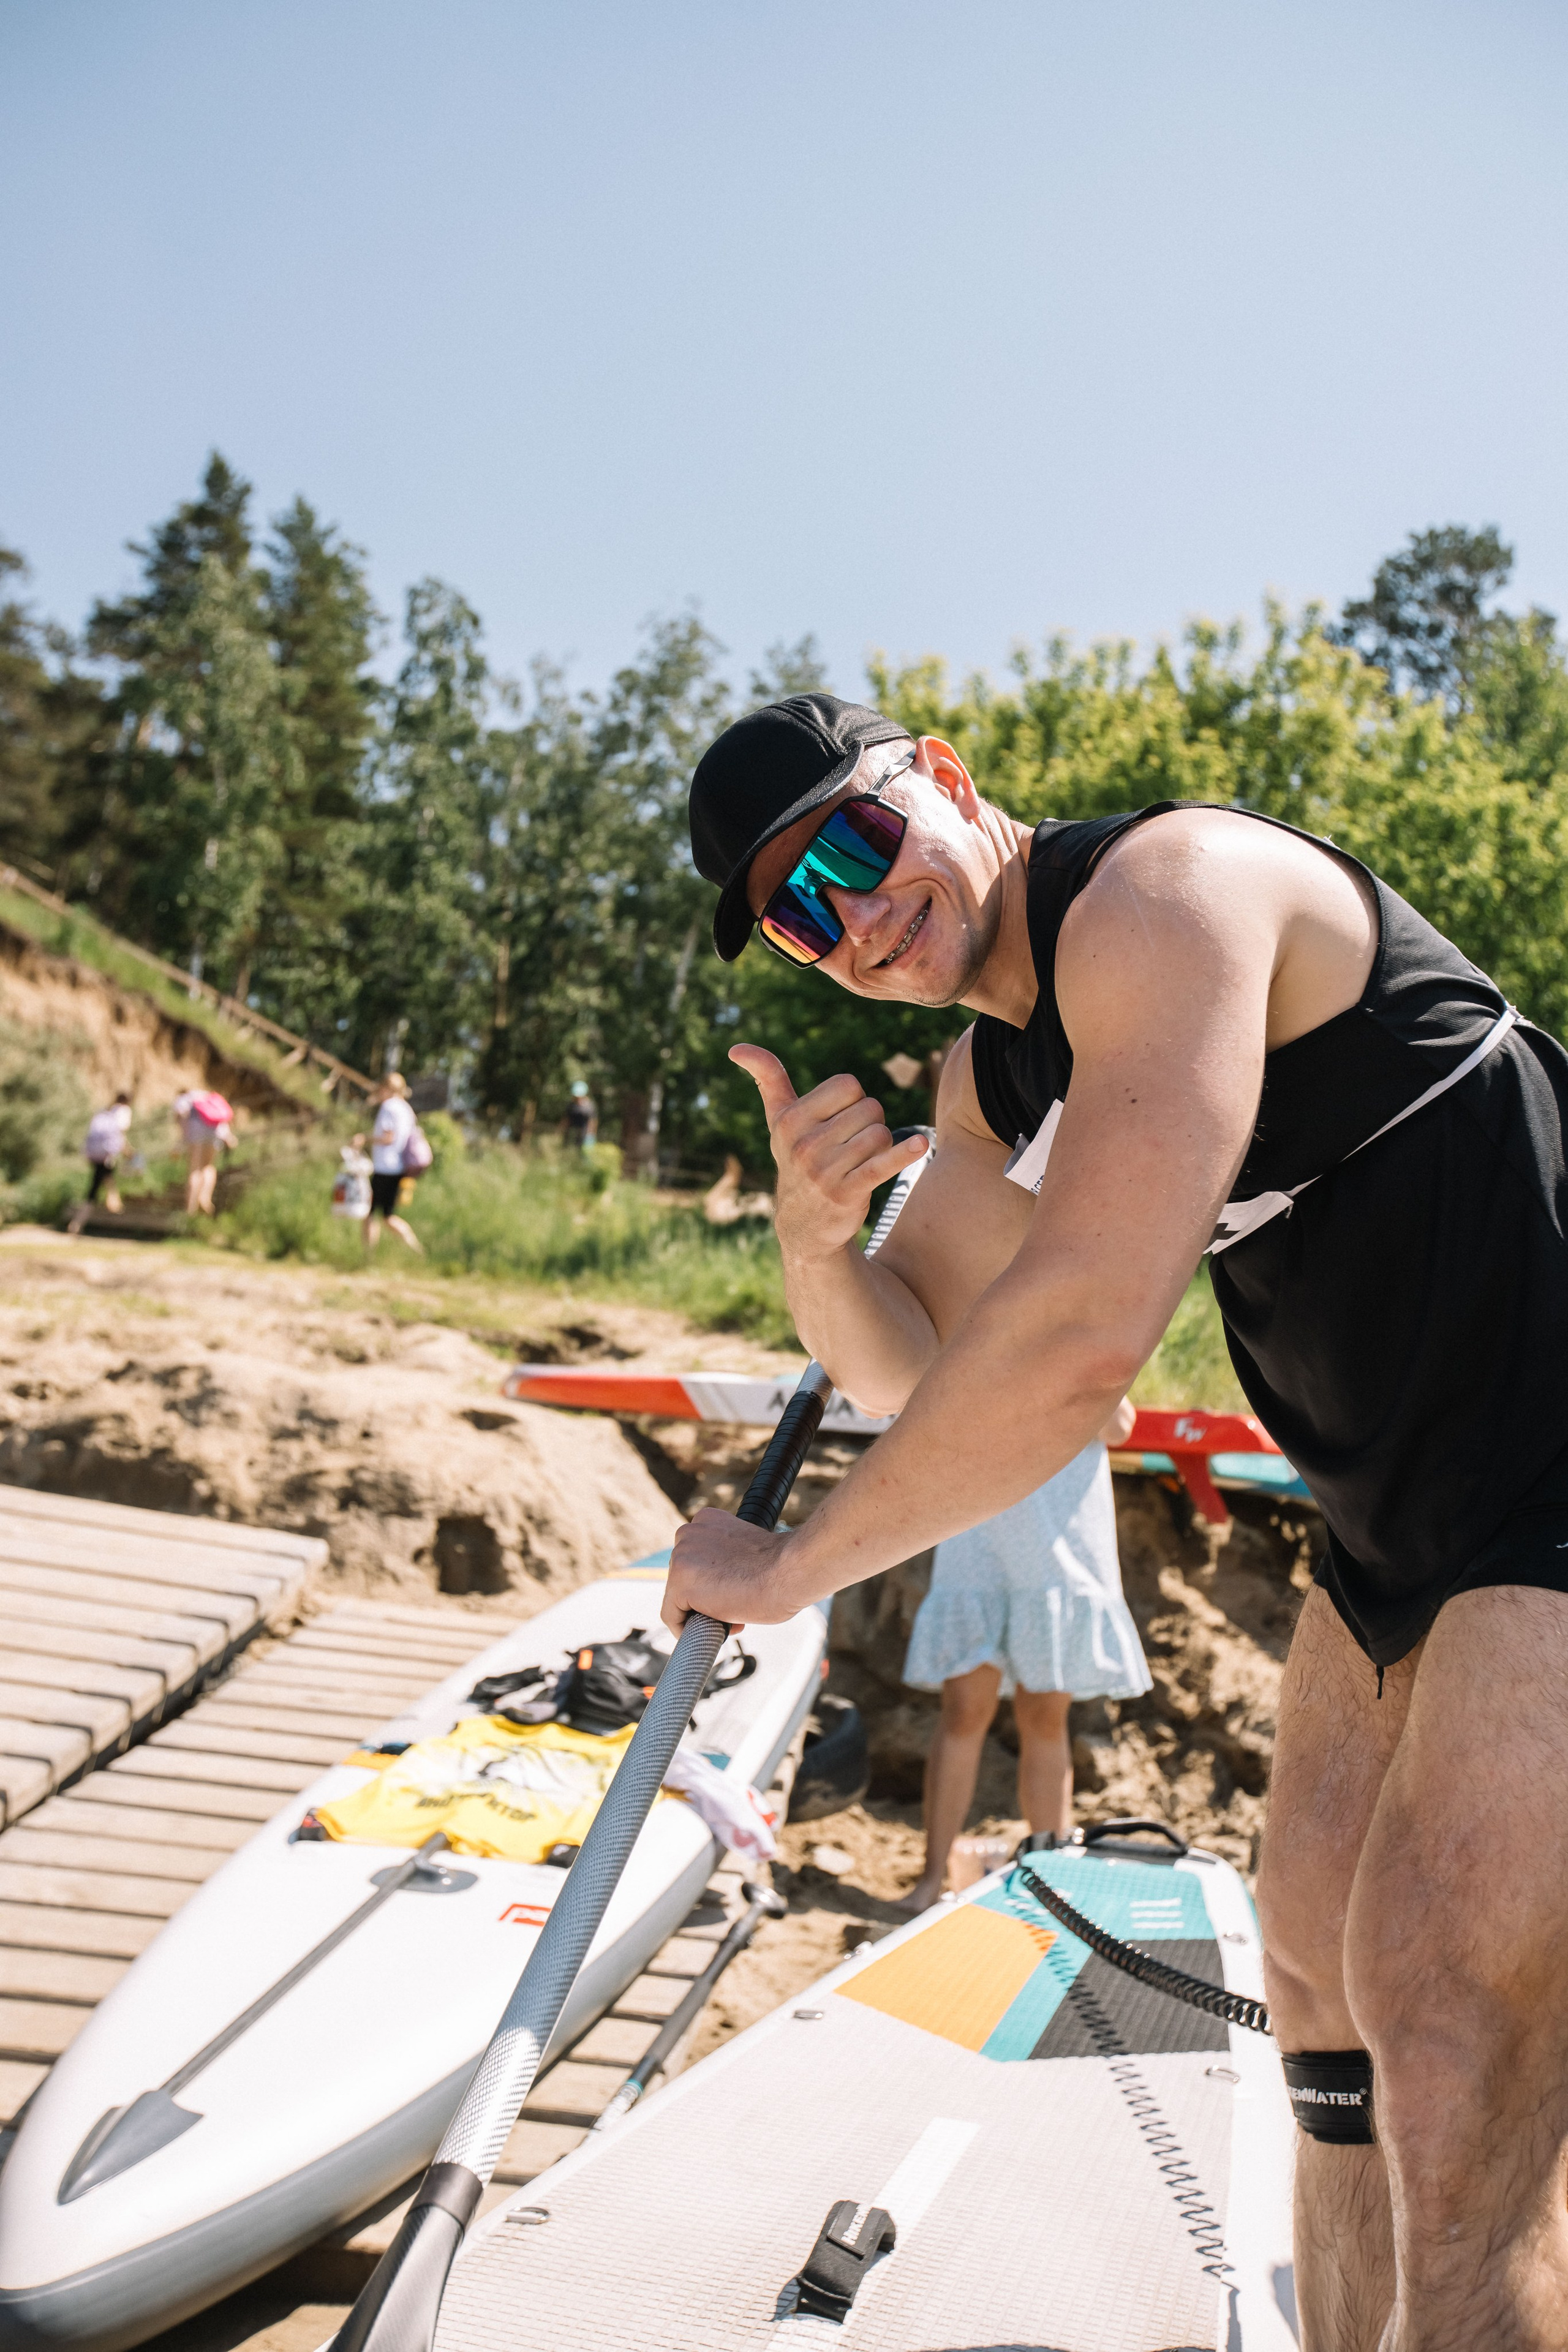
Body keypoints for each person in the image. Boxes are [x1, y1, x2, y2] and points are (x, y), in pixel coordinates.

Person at [663, 693, 1568, 2350]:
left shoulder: (1167, 898)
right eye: (803, 908)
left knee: (1445, 2029)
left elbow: (1077, 1344)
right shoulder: (998, 1075)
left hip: (1552, 1477)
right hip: (1392, 1537)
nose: (854, 913)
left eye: (860, 844)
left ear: (947, 779)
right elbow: (918, 1358)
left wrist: (794, 1569)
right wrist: (812, 1243)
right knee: (1312, 1974)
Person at [899, 1395, 1147, 1913]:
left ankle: (1054, 1884)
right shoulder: (973, 1312)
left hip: (1059, 1525)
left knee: (1044, 1714)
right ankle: (930, 1878)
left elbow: (1121, 1425)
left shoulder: (1095, 1318)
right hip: (981, 1515)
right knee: (964, 1708)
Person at [365, 1073, 424, 1255]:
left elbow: (388, 1137)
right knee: (386, 1215)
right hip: (399, 1167)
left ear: (387, 1089)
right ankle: (417, 1251)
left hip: (384, 1168)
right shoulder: (407, 1109)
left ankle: (369, 1256)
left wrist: (364, 1139)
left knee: (371, 1213)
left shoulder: (389, 1107)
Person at [67, 1091, 132, 1233]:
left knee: (97, 1183)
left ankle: (79, 1221)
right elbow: (120, 1133)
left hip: (95, 1153)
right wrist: (127, 1151)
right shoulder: (123, 1112)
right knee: (102, 1182)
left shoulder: (105, 1111)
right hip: (108, 1154)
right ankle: (112, 1205)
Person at [172, 1087, 233, 1216]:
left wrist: (181, 1141)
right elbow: (220, 1119)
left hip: (196, 1133)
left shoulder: (184, 1099)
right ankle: (205, 1198)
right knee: (209, 1167)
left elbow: (181, 1116)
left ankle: (190, 1209)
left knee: (195, 1169)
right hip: (215, 1132)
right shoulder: (208, 1097)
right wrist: (228, 1136)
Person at [562, 1080, 598, 1151]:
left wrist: (590, 1136)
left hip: (586, 1136)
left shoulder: (590, 1106)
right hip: (572, 1134)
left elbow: (593, 1122)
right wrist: (561, 1131)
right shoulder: (571, 1106)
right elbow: (566, 1119)